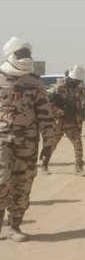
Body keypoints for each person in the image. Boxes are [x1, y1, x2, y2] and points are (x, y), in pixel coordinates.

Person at [0, 37, 55, 242]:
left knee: (22, 185)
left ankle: (14, 227)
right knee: (1, 182)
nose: (25, 57)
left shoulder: (34, 83)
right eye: (21, 54)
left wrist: (48, 143)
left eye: (27, 54)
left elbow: (45, 115)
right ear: (11, 54)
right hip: (2, 141)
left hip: (28, 143)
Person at [43, 65, 85, 174]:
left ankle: (79, 167)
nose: (77, 83)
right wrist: (60, 112)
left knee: (78, 143)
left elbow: (80, 103)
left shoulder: (79, 88)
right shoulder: (59, 87)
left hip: (72, 122)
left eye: (79, 81)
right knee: (51, 145)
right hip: (58, 122)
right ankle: (44, 165)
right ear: (71, 78)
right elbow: (48, 102)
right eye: (76, 81)